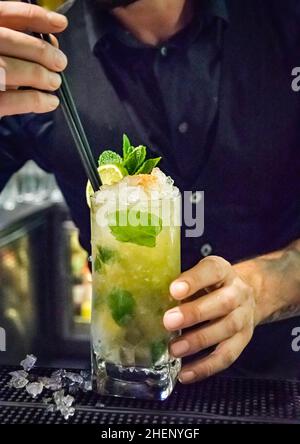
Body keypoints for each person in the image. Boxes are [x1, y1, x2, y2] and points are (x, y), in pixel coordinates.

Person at [0, 0, 300, 383]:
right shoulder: (29, 56)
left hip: (285, 384)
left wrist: (265, 286)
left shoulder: (286, 21)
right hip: (124, 383)